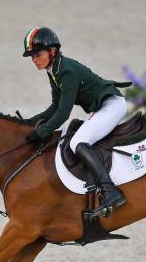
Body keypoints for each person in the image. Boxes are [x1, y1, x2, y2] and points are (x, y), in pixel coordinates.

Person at [22, 26, 131, 217]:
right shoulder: (53, 70)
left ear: (52, 51)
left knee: (77, 143)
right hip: (103, 106)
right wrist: (28, 122)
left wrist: (41, 132)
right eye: (32, 57)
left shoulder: (66, 71)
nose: (34, 60)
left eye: (37, 55)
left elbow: (63, 113)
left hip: (112, 105)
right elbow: (54, 106)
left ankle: (110, 191)